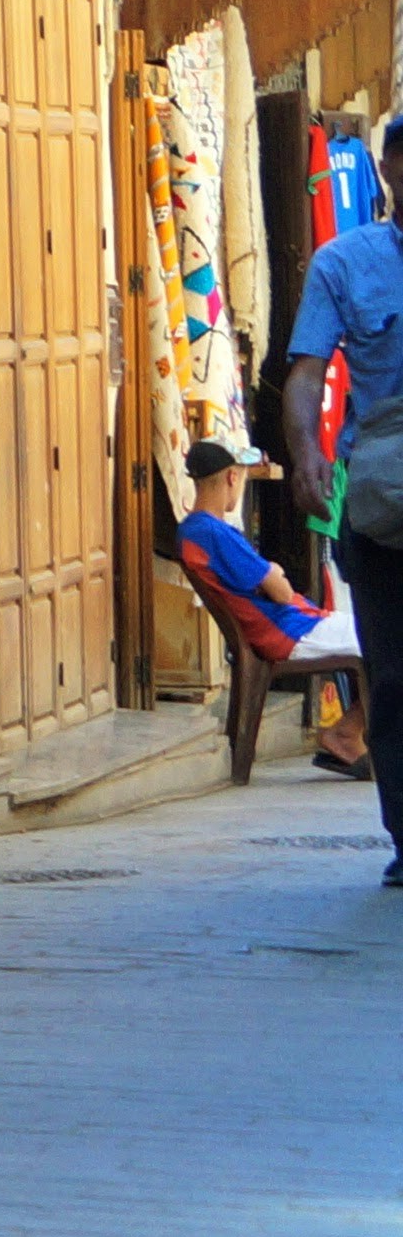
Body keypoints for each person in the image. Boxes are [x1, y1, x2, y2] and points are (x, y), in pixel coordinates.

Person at [289, 206, 403, 881]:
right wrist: (306, 451)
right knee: (392, 676)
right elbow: (307, 372)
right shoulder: (344, 263)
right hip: (383, 503)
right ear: (390, 172)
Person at [171, 437, 364, 768]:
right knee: (389, 641)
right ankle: (346, 734)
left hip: (291, 625)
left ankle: (350, 733)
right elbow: (282, 593)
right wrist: (274, 572)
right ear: (233, 477)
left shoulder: (195, 530)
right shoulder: (213, 533)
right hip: (289, 631)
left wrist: (272, 574)